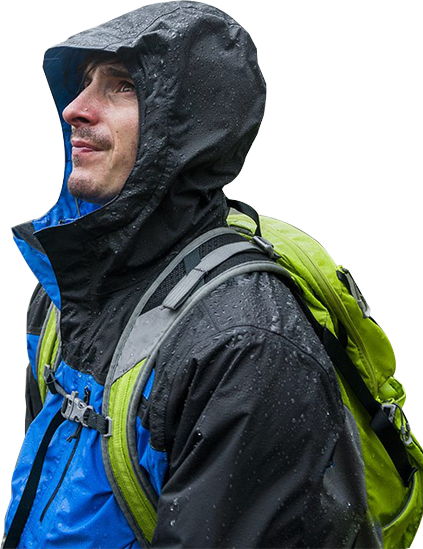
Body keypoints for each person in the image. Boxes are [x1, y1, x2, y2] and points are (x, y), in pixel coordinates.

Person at [6, 2, 380, 547]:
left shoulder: (246, 347)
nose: (74, 110)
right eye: (84, 83)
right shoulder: (65, 287)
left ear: (186, 128)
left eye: (121, 86)